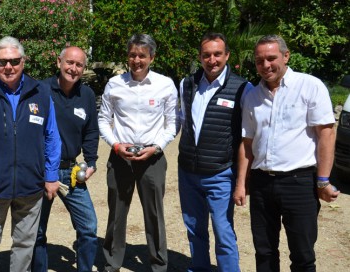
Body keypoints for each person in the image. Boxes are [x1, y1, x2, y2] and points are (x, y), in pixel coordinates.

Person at [234, 34, 339, 271]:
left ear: (286, 55)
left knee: (302, 254)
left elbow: (326, 134)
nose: (265, 65)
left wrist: (323, 181)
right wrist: (242, 183)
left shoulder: (310, 86)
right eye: (260, 60)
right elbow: (247, 144)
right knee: (264, 251)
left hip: (299, 183)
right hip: (262, 184)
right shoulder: (252, 96)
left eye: (271, 58)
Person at [0, 36, 61, 272]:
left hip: (31, 185)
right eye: (2, 62)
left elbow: (52, 136)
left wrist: (50, 175)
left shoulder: (41, 92)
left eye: (14, 61)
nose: (8, 67)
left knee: (25, 244)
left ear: (23, 61)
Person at [98, 33, 178, 272]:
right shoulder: (115, 84)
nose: (137, 60)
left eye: (142, 55)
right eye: (132, 55)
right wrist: (115, 145)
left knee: (154, 214)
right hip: (120, 156)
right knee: (116, 214)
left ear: (151, 57)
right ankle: (112, 262)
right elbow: (104, 120)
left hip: (152, 158)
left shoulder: (165, 85)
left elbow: (172, 123)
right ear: (127, 56)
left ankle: (158, 265)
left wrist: (157, 147)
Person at [177, 33, 252, 271]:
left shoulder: (242, 88)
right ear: (200, 57)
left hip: (220, 174)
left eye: (217, 54)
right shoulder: (187, 84)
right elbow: (180, 121)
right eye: (206, 55)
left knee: (223, 231)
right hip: (188, 173)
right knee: (194, 229)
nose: (212, 60)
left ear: (227, 55)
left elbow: (245, 139)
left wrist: (241, 182)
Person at [32, 46, 99, 272]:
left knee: (88, 227)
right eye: (69, 62)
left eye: (79, 64)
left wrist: (91, 162)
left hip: (71, 172)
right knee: (37, 231)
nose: (73, 68)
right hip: (40, 172)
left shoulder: (87, 95)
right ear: (59, 61)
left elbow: (91, 131)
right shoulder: (39, 89)